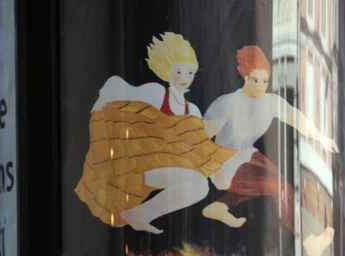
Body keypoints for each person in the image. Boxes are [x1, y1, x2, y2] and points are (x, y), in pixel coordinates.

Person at [75, 32, 235, 233]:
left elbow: (200, 148)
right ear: (166, 72)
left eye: (189, 72)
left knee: (200, 186)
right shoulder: (155, 93)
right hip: (139, 166)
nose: (184, 78)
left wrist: (218, 173)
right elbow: (116, 96)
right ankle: (136, 214)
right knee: (196, 182)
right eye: (178, 72)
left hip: (167, 166)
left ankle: (138, 215)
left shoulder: (192, 110)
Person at [203, 45, 339, 256]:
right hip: (223, 162)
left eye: (265, 81)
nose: (261, 86)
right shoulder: (226, 104)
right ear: (245, 77)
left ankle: (219, 206)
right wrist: (207, 169)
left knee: (274, 184)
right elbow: (201, 139)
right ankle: (308, 241)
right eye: (255, 80)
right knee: (276, 185)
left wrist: (321, 138)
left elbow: (296, 119)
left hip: (247, 156)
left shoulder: (270, 103)